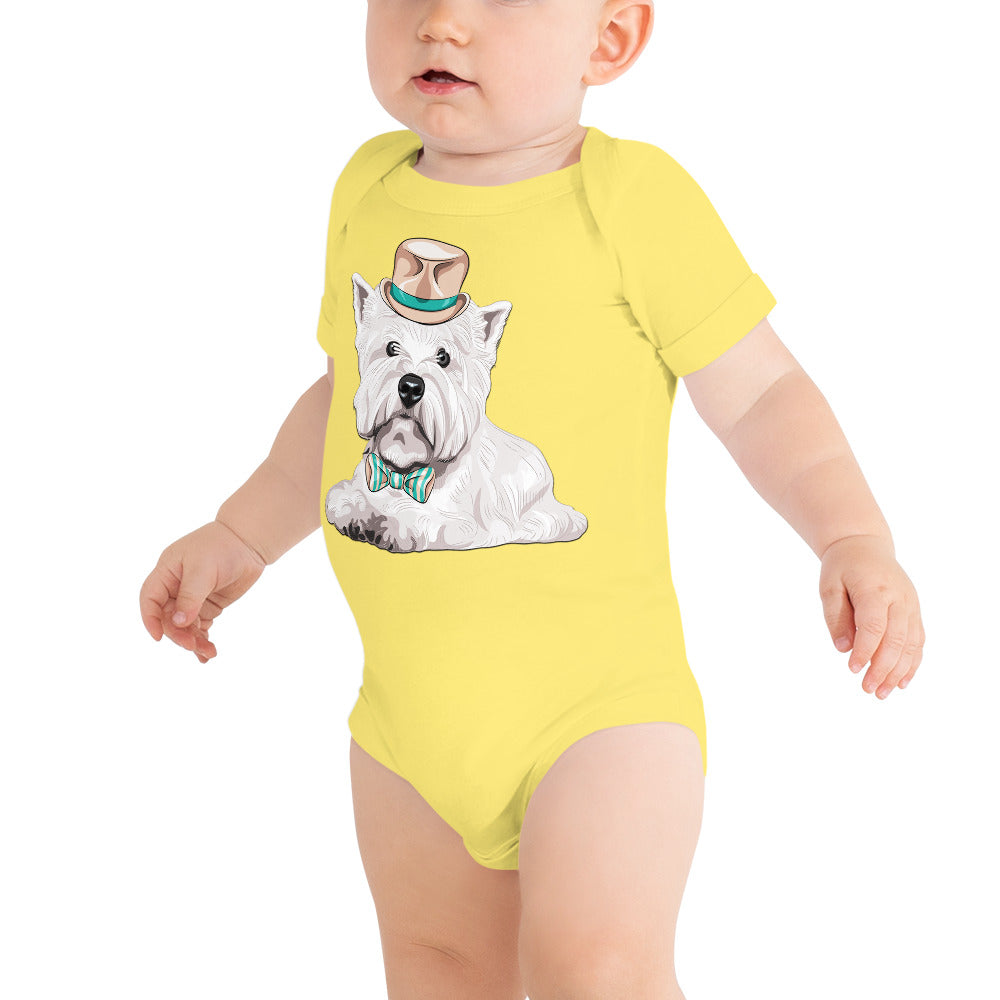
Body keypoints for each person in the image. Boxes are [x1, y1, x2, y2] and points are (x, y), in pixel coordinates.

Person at [139, 1, 924, 997]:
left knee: (596, 972)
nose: (442, 21)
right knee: (437, 971)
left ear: (609, 39)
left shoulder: (631, 200)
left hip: (601, 715)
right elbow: (345, 401)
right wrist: (241, 532)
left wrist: (850, 533)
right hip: (407, 725)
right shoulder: (367, 187)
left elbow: (762, 393)